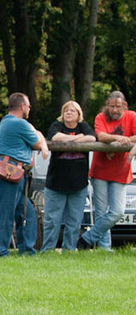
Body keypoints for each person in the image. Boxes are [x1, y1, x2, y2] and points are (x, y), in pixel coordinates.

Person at [0, 92, 49, 258]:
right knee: (5, 214)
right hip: (10, 173)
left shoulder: (9, 121)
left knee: (27, 213)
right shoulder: (18, 123)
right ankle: (0, 253)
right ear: (22, 106)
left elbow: (36, 133)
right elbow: (37, 140)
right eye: (28, 106)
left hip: (15, 173)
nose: (29, 109)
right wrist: (42, 142)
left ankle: (27, 251)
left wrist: (40, 138)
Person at [77, 91, 136, 250]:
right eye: (111, 106)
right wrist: (119, 139)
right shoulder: (100, 117)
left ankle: (87, 238)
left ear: (125, 105)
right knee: (101, 213)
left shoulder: (131, 116)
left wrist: (125, 141)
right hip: (100, 171)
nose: (114, 110)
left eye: (118, 106)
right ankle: (104, 249)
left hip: (121, 172)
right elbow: (101, 136)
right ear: (107, 106)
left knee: (117, 212)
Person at [40, 101, 96, 252]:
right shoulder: (56, 125)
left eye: (72, 110)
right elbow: (55, 137)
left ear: (78, 114)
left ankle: (69, 251)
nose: (68, 113)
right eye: (66, 110)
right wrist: (77, 138)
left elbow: (92, 138)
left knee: (74, 221)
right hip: (56, 184)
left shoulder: (83, 126)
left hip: (78, 185)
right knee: (52, 221)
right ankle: (47, 251)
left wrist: (74, 137)